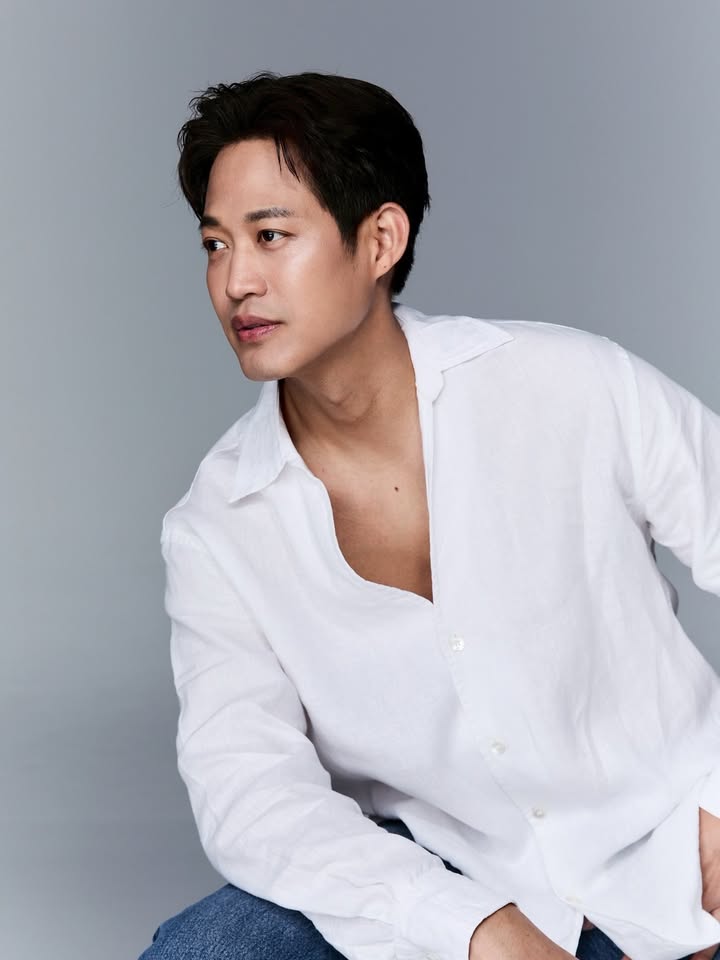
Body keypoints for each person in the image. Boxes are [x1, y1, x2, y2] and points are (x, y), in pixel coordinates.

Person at [139, 72, 720, 960]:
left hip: (675, 844)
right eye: (215, 245)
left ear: (380, 239)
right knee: (209, 949)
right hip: (448, 874)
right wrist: (469, 925)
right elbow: (249, 791)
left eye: (270, 235)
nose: (235, 281)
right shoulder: (218, 526)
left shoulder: (570, 385)